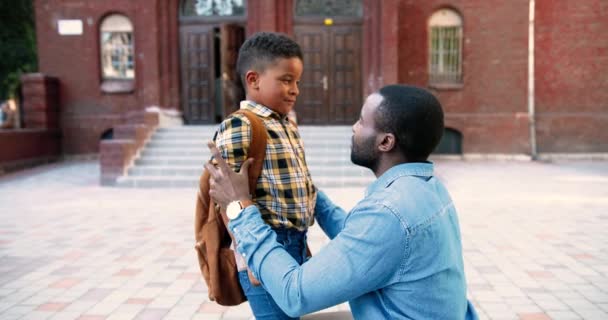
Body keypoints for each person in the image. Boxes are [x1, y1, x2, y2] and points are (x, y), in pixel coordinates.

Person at [206, 84, 479, 319]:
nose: (354, 127)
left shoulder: (389, 212)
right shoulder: (427, 189)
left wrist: (240, 207)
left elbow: (294, 293)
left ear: (385, 142)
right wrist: (307, 190)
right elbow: (362, 240)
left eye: (362, 121)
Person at [211, 32, 317, 319]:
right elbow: (223, 194)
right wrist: (244, 253)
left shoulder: (286, 125)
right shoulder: (240, 125)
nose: (295, 89)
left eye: (297, 82)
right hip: (262, 246)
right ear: (253, 79)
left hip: (293, 243)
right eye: (285, 80)